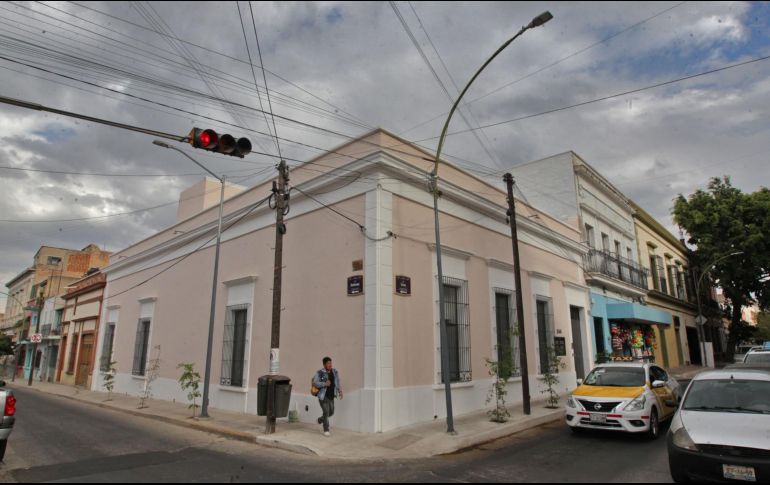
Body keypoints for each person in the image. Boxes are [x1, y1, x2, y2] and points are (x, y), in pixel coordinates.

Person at [313, 356, 342, 437]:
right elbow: (315, 382)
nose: (330, 365)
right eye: (328, 363)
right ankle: (326, 429)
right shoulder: (320, 372)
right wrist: (324, 384)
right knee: (326, 412)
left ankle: (320, 419)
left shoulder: (334, 371)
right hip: (323, 396)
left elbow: (337, 382)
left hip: (331, 396)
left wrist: (340, 391)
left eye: (331, 363)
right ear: (324, 364)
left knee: (331, 412)